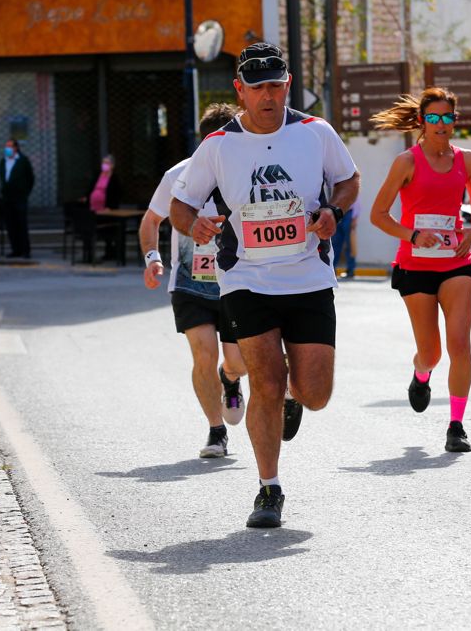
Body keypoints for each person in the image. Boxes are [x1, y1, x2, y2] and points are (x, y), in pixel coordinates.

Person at [169, 42, 360, 529]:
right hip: (246, 279)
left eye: (276, 85)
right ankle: (268, 488)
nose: (268, 96)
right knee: (267, 382)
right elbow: (180, 205)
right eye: (258, 88)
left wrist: (332, 212)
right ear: (241, 90)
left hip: (309, 275)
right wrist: (196, 226)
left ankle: (298, 397)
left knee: (315, 393)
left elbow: (349, 180)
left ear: (288, 84)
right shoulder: (217, 147)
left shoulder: (316, 133)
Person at [369, 87, 471, 454]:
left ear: (455, 120)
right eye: (433, 118)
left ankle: (456, 425)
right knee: (432, 353)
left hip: (456, 263)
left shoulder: (467, 160)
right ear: (422, 121)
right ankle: (422, 374)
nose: (440, 124)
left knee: (460, 344)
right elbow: (379, 215)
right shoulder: (407, 162)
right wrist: (413, 235)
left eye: (447, 117)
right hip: (416, 266)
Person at [140, 103, 249, 458]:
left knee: (238, 363)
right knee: (203, 354)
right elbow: (151, 221)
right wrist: (152, 258)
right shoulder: (178, 176)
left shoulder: (246, 173)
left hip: (235, 284)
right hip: (190, 284)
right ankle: (216, 432)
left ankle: (230, 380)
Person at [0, 139, 35, 259]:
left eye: (10, 146)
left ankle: (25, 250)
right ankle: (15, 249)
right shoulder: (3, 161)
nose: (7, 148)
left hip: (19, 196)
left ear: (16, 148)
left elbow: (30, 178)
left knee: (21, 223)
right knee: (10, 224)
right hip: (7, 196)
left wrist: (25, 192)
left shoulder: (22, 161)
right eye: (6, 146)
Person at [331, 199, 361, 278]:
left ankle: (350, 270)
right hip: (338, 213)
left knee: (350, 244)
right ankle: (332, 269)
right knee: (335, 244)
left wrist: (354, 218)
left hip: (348, 214)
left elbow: (356, 202)